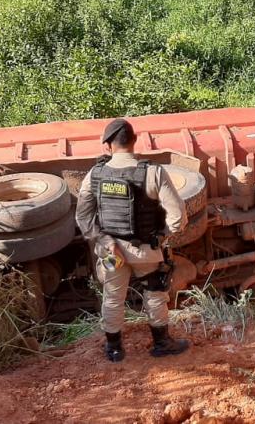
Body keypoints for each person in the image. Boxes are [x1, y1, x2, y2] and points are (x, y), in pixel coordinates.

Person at [75, 118, 190, 362]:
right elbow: (178, 216)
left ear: (108, 145)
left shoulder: (95, 174)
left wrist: (102, 238)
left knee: (113, 296)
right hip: (145, 249)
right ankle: (161, 344)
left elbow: (83, 216)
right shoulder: (152, 172)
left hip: (109, 251)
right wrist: (162, 235)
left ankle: (114, 349)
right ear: (134, 141)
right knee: (155, 294)